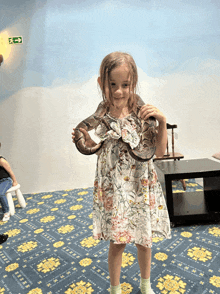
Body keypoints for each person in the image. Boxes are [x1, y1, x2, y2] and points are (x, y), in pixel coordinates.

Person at [72, 52, 171, 294]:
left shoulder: (142, 112)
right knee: (117, 242)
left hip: (140, 184)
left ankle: (145, 285)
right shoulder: (102, 113)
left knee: (143, 240)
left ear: (133, 82)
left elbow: (157, 151)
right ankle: (115, 289)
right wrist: (84, 140)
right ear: (101, 83)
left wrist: (162, 121)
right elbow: (100, 150)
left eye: (125, 85)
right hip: (114, 186)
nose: (118, 91)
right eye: (111, 85)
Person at [0, 144, 18, 221]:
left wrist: (15, 181)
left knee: (0, 193)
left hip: (6, 180)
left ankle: (6, 212)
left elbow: (10, 171)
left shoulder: (1, 160)